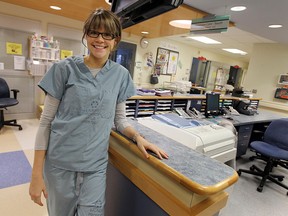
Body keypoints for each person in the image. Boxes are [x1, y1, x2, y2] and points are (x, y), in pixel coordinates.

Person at [29, 8, 168, 216]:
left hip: (94, 167)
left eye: (107, 34)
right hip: (60, 164)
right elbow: (46, 122)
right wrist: (36, 174)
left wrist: (138, 137)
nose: (100, 39)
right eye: (94, 32)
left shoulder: (121, 75)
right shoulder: (63, 69)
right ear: (86, 35)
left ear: (115, 40)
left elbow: (120, 120)